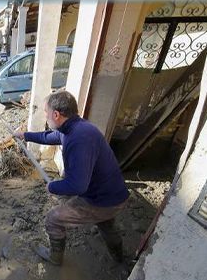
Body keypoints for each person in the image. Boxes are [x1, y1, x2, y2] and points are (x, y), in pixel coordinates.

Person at [13, 91, 130, 265]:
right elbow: (51, 136)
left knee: (54, 219)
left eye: (46, 112)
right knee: (105, 223)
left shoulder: (79, 138)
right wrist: (26, 135)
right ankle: (120, 259)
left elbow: (77, 186)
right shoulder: (74, 127)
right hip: (113, 194)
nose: (45, 116)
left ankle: (55, 258)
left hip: (101, 199)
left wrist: (53, 187)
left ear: (56, 114)